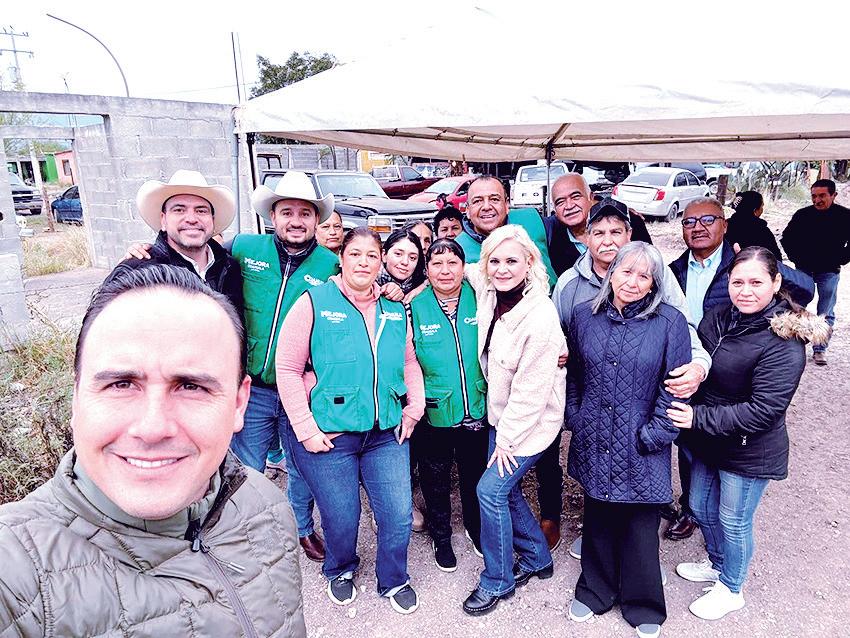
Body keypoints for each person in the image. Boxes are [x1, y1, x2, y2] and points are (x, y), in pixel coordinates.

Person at [0, 265, 305, 637]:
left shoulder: (266, 503)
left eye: (191, 386)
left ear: (239, 403)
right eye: (121, 384)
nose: (152, 428)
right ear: (76, 397)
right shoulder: (14, 572)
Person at [120, 171, 342, 563]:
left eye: (305, 213)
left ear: (315, 220)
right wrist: (146, 249)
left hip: (300, 388)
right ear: (272, 216)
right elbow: (193, 248)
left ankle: (302, 528)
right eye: (287, 212)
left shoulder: (330, 264)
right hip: (250, 387)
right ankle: (242, 532)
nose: (295, 221)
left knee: (302, 467)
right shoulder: (242, 248)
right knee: (245, 466)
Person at [668, 246, 829, 620]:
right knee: (700, 506)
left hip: (749, 447)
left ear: (775, 282)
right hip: (711, 439)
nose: (745, 291)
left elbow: (763, 411)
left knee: (734, 520)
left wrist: (696, 417)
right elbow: (697, 360)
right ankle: (718, 563)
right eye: (737, 282)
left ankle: (732, 588)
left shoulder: (784, 341)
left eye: (756, 282)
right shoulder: (719, 316)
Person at [275, 227, 426, 615]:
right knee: (342, 516)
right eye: (355, 254)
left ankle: (394, 578)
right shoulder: (313, 302)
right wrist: (305, 429)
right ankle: (339, 568)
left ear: (381, 262)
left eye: (371, 255)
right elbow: (287, 368)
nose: (363, 262)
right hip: (330, 434)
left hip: (385, 432)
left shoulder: (393, 308)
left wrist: (414, 407)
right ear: (340, 258)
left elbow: (409, 361)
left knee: (397, 514)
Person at [553, 198, 712, 559]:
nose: (607, 240)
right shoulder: (569, 285)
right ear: (586, 238)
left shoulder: (655, 272)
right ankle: (599, 546)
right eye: (598, 232)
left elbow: (683, 330)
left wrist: (698, 367)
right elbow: (565, 346)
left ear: (629, 234)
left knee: (640, 487)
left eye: (616, 231)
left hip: (640, 409)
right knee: (597, 484)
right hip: (596, 415)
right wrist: (575, 414)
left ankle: (639, 551)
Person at [565, 242, 692, 638]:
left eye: (644, 276)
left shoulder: (670, 322)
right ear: (611, 271)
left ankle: (643, 602)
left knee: (640, 524)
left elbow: (676, 388)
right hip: (594, 433)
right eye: (626, 271)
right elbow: (574, 374)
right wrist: (576, 416)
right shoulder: (584, 316)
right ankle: (595, 590)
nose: (633, 282)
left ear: (654, 283)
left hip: (642, 438)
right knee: (598, 514)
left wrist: (655, 433)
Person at [461, 225, 567, 616]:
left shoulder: (540, 316)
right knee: (505, 491)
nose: (502, 269)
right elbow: (460, 269)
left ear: (529, 263)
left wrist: (506, 440)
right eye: (495, 261)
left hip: (530, 424)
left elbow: (530, 394)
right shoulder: (490, 288)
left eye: (512, 261)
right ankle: (538, 557)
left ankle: (498, 579)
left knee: (490, 491)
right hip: (502, 417)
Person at [409, 238, 489, 571]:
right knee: (435, 478)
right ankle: (441, 537)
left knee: (474, 474)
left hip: (477, 407)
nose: (445, 270)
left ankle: (475, 527)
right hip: (434, 411)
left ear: (463, 267)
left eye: (452, 262)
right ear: (426, 270)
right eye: (437, 263)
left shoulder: (481, 297)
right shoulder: (414, 306)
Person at [665, 197, 736, 541]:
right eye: (690, 222)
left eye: (708, 220)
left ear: (724, 224)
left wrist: (751, 254)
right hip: (686, 368)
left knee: (726, 439)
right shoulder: (673, 271)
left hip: (728, 370)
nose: (698, 228)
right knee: (688, 440)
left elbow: (802, 288)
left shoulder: (739, 265)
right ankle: (692, 509)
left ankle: (725, 512)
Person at [106, 169, 243, 315]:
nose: (191, 219)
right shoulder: (137, 271)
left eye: (201, 211)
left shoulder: (231, 267)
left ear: (213, 221)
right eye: (179, 210)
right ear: (163, 220)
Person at [780, 178, 850, 365]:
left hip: (829, 270)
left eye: (822, 196)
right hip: (804, 269)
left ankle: (820, 349)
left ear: (833, 195)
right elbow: (786, 238)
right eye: (814, 196)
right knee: (796, 307)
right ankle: (792, 348)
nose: (817, 200)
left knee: (825, 311)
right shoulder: (802, 215)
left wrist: (842, 259)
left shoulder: (845, 216)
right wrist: (795, 257)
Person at [545, 172, 652, 278]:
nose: (569, 206)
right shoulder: (552, 239)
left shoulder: (628, 221)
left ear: (591, 197)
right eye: (560, 202)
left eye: (576, 197)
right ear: (555, 210)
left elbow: (650, 266)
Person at [454, 175, 557, 284]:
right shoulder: (458, 250)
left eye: (494, 199)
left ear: (507, 205)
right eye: (477, 201)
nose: (486, 207)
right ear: (468, 210)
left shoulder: (531, 220)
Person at [726, 191, 782, 259]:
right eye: (762, 206)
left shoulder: (725, 226)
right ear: (755, 211)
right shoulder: (762, 231)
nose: (762, 210)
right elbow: (776, 258)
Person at [378, 227, 427, 295]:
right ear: (384, 255)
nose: (405, 262)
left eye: (412, 258)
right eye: (398, 254)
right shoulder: (370, 281)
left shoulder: (425, 286)